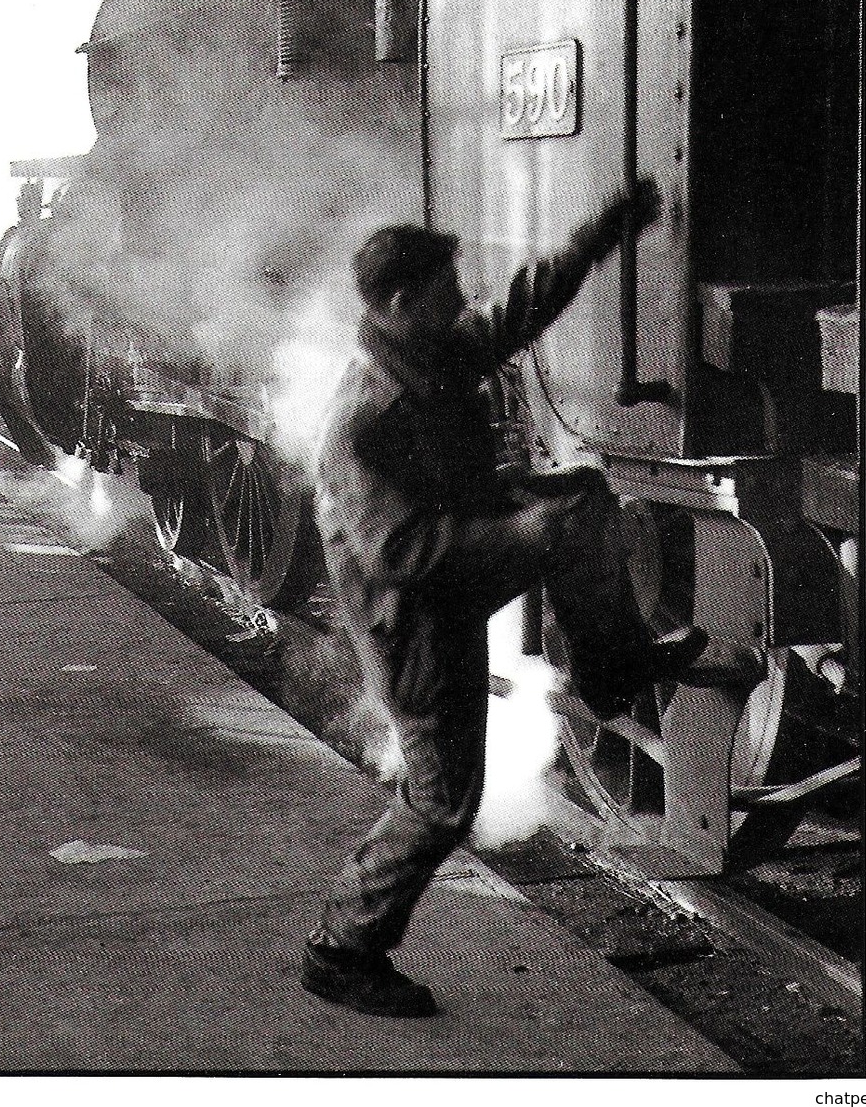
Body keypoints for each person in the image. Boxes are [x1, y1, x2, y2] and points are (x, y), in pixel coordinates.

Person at [301, 180, 707, 1019]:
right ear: (401, 301)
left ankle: (609, 665)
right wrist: (520, 537)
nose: (464, 299)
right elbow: (400, 551)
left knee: (584, 497)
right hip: (410, 617)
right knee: (442, 800)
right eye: (446, 288)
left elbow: (521, 309)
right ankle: (343, 949)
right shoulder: (363, 416)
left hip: (452, 558)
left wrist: (599, 237)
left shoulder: (427, 350)